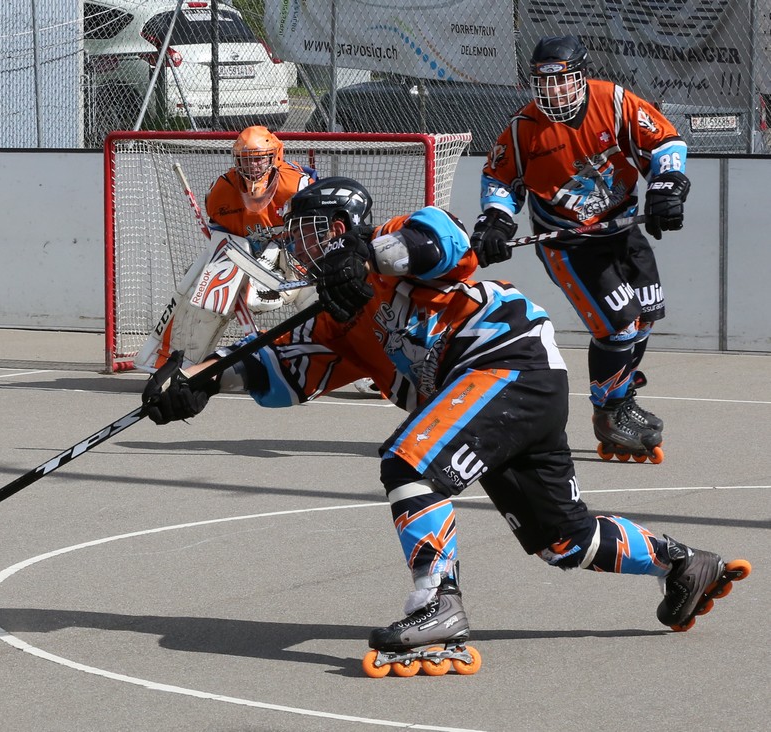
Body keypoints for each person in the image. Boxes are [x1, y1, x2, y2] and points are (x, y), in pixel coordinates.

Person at [139, 176, 749, 677]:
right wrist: (201, 381)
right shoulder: (334, 319)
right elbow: (282, 374)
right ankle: (683, 564)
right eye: (296, 236)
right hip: (503, 395)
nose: (303, 246)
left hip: (507, 358)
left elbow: (446, 240)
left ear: (348, 227)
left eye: (315, 231)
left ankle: (437, 604)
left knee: (409, 461)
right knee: (564, 541)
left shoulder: (395, 239)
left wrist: (366, 259)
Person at [470, 34, 688, 462]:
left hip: (621, 227)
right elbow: (498, 178)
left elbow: (664, 141)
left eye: (561, 80)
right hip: (569, 243)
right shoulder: (524, 128)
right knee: (619, 326)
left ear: (581, 76)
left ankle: (621, 397)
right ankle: (608, 415)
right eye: (543, 82)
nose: (552, 91)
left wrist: (666, 185)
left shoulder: (614, 102)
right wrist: (495, 219)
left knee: (645, 314)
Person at [135, 125, 381, 394]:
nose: (252, 165)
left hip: (293, 255)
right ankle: (176, 367)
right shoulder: (221, 191)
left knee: (329, 299)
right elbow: (222, 239)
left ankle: (368, 368)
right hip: (243, 257)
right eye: (246, 159)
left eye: (259, 158)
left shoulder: (297, 184)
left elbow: (314, 232)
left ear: (275, 156)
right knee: (204, 296)